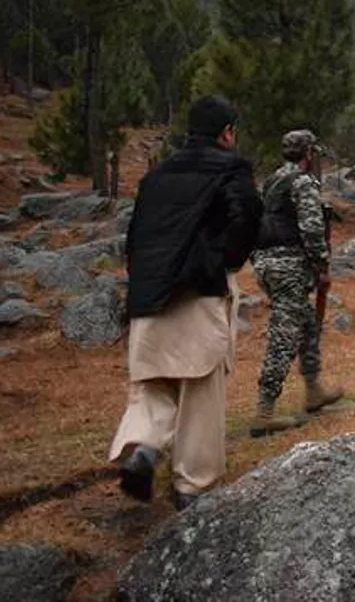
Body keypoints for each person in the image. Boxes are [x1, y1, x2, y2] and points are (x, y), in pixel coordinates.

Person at [110, 95, 262, 511]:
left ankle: (142, 449)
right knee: (200, 392)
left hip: (148, 296)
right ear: (227, 133)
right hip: (199, 294)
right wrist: (222, 260)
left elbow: (135, 237)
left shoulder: (156, 177)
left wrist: (141, 285)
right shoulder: (232, 169)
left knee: (152, 386)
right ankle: (193, 489)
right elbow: (247, 215)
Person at [250, 129, 345, 437]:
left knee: (305, 323)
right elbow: (311, 227)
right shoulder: (302, 183)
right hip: (288, 265)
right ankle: (264, 412)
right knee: (284, 335)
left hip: (266, 263)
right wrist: (322, 266)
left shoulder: (273, 180)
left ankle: (314, 388)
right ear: (309, 154)